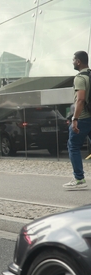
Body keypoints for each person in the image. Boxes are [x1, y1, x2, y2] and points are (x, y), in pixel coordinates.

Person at [63, 50, 91, 190]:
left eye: (74, 60)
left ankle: (79, 179)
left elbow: (80, 100)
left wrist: (75, 119)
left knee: (73, 146)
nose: (73, 62)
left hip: (84, 118)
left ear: (78, 61)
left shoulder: (80, 78)